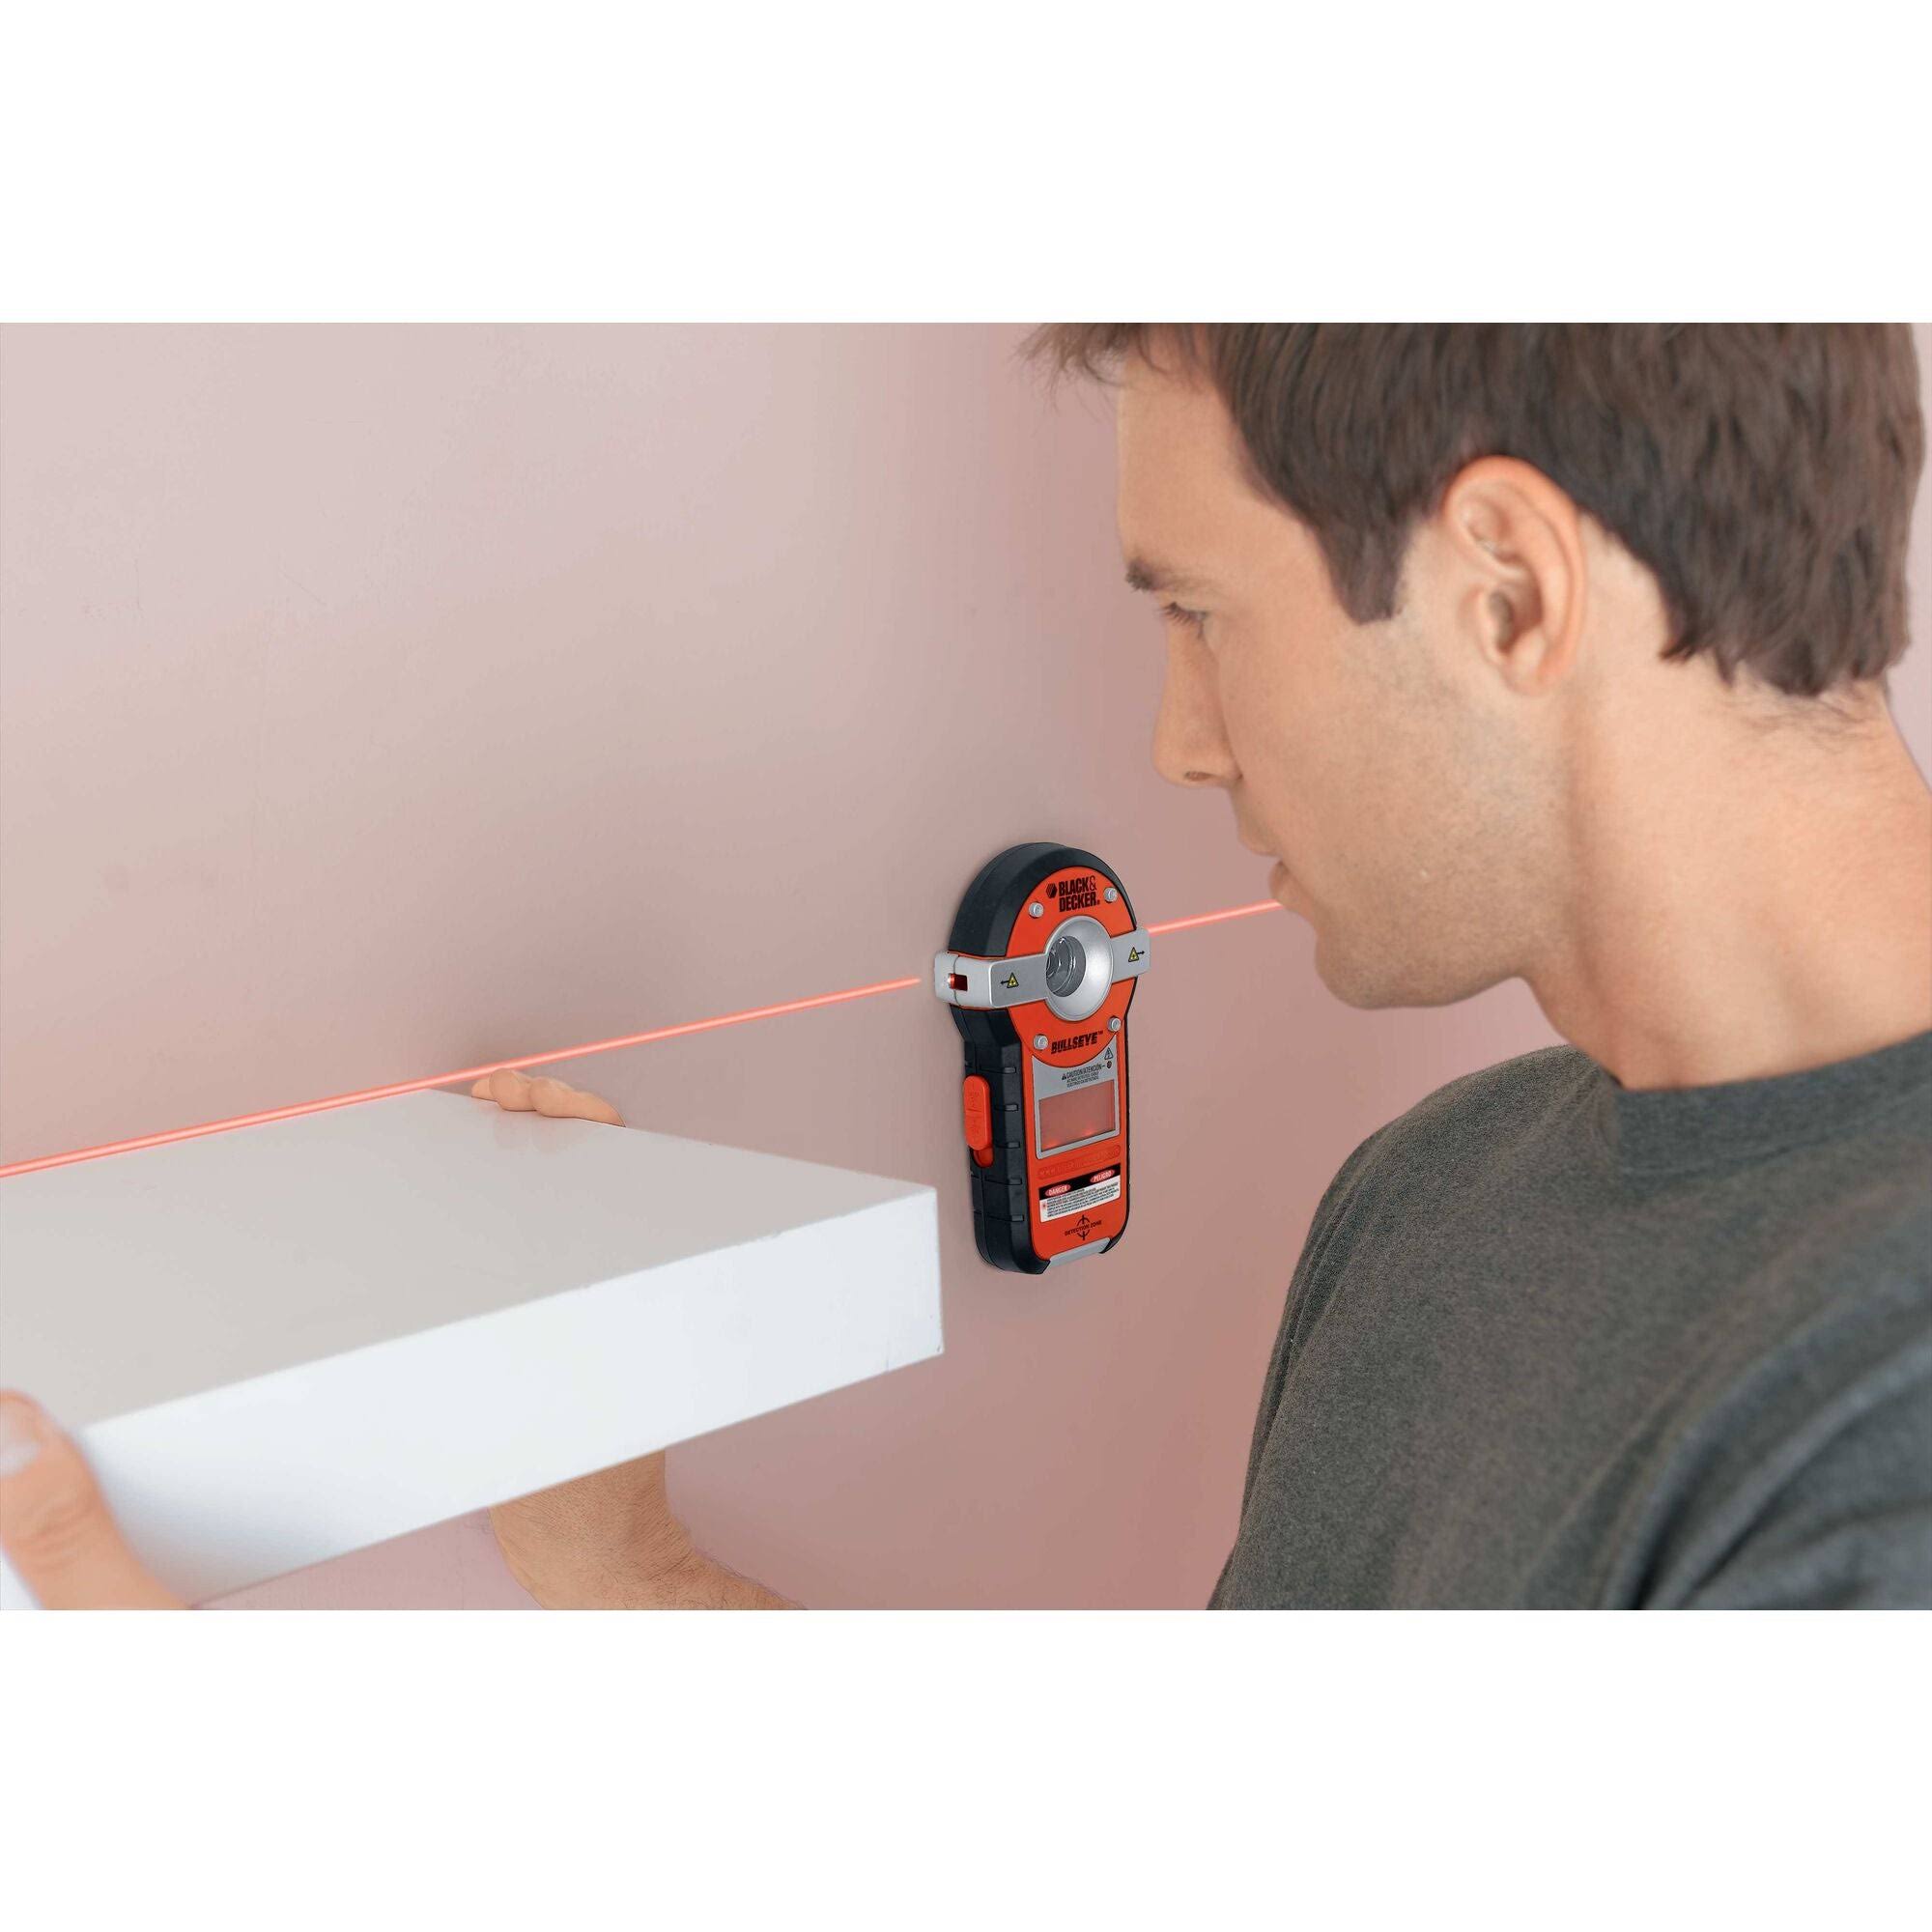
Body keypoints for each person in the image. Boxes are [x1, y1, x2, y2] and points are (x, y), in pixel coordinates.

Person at [4, 325, 1927, 1609]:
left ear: (1509, 590)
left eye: (1199, 613)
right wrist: (617, 1554)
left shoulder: (1876, 1423)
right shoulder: (1440, 1200)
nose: (1177, 742)